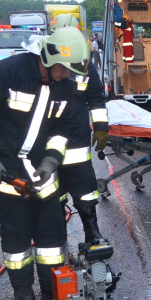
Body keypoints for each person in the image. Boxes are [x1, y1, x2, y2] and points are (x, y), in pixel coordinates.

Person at [0, 26, 89, 300]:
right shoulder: (9, 73)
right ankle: (22, 291)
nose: (67, 74)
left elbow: (64, 127)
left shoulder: (66, 86)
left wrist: (51, 159)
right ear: (48, 56)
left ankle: (51, 285)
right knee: (16, 237)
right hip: (7, 174)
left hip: (44, 177)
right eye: (64, 68)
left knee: (52, 239)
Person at [47, 14, 110, 245]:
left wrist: (101, 128)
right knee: (52, 192)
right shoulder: (47, 61)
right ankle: (55, 234)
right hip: (47, 138)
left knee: (85, 189)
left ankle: (92, 232)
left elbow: (95, 97)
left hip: (76, 138)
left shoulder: (84, 62)